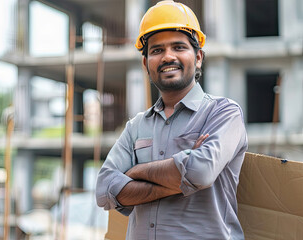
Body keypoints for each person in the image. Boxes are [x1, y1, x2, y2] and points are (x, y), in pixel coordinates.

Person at [95, 1, 248, 239]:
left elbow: (200, 173)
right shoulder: (136, 126)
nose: (168, 57)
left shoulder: (223, 113)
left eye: (178, 47)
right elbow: (104, 190)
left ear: (197, 58)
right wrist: (181, 172)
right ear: (146, 64)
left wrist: (134, 171)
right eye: (156, 50)